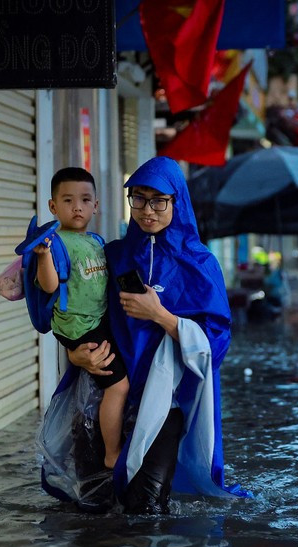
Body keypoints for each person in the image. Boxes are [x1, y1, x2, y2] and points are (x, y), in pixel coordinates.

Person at [50, 156, 248, 514]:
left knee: (146, 511)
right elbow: (76, 312)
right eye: (138, 198)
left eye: (159, 200)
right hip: (101, 392)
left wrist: (161, 316)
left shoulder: (200, 265)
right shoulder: (111, 255)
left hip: (164, 403)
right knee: (91, 509)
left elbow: (216, 344)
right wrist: (74, 354)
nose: (147, 210)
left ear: (178, 201)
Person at [34, 167, 129, 470]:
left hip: (97, 321)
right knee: (119, 385)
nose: (77, 207)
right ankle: (112, 453)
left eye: (85, 200)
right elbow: (50, 286)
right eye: (68, 200)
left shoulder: (96, 241)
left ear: (96, 205)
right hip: (80, 327)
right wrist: (43, 256)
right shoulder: (57, 243)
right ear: (53, 206)